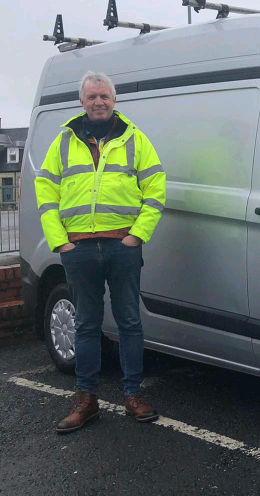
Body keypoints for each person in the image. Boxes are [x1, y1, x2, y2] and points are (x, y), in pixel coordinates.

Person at [34, 71, 166, 433]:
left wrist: (138, 236)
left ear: (114, 99)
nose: (98, 102)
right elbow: (45, 190)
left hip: (122, 246)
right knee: (86, 325)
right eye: (92, 96)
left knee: (129, 323)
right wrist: (59, 241)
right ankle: (86, 400)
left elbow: (156, 187)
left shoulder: (135, 139)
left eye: (104, 96)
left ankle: (133, 396)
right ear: (82, 101)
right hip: (78, 249)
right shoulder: (63, 141)